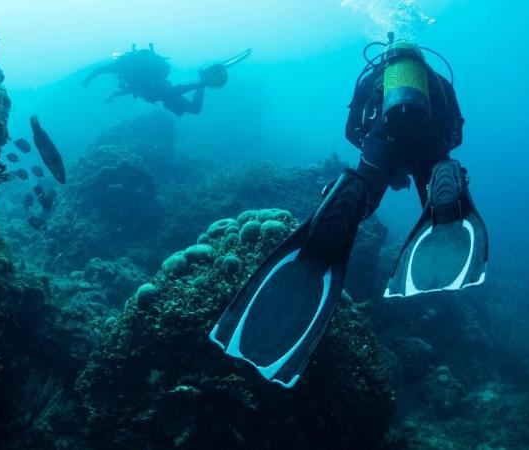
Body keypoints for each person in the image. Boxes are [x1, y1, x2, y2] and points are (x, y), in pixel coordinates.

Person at [209, 35, 488, 388]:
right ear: (420, 57)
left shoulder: (376, 76)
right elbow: (456, 130)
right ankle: (443, 179)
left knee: (365, 194)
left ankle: (350, 191)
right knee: (435, 184)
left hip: (381, 140)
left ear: (386, 56)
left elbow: (351, 128)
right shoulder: (437, 80)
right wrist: (430, 151)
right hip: (430, 142)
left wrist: (381, 152)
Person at [81, 44, 219, 116]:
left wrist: (87, 80)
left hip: (160, 91)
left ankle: (202, 82)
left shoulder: (121, 67)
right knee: (194, 109)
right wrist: (113, 94)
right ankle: (202, 82)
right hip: (160, 92)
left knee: (172, 94)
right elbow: (131, 89)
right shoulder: (130, 72)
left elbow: (100, 71)